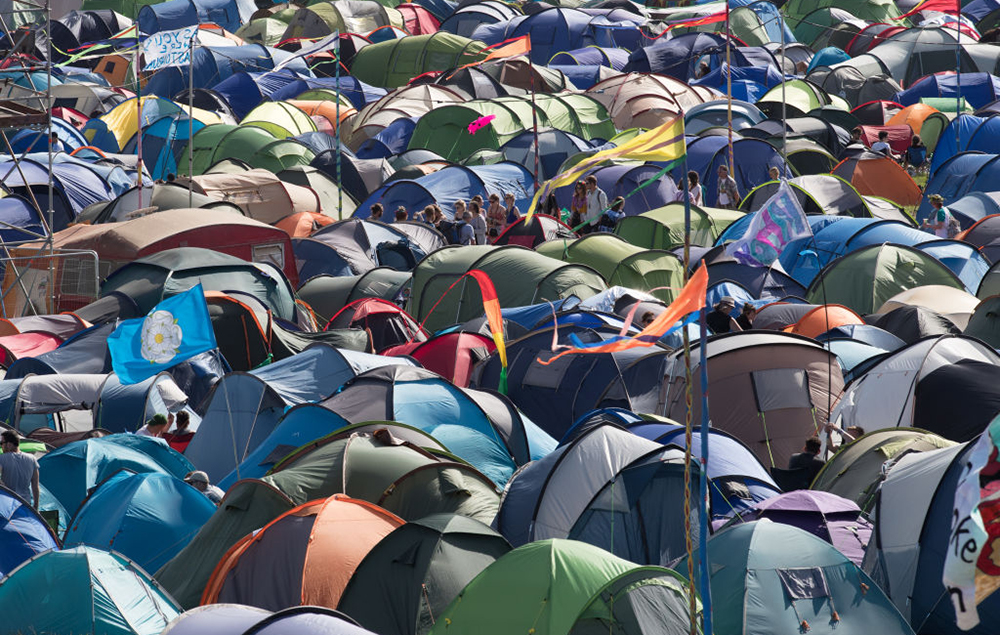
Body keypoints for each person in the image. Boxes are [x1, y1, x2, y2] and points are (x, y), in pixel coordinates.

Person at [0, 430, 39, 508]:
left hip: (7, 504)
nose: (1, 446)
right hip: (25, 504)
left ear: (9, 444)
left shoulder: (1, 458)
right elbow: (35, 485)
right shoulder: (32, 459)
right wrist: (36, 506)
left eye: (1, 443)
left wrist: (4, 487)